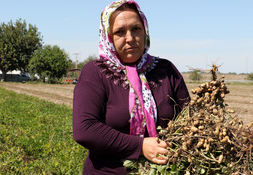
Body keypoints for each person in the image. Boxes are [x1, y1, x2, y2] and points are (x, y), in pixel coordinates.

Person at [72, 0, 190, 174]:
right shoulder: (95, 72)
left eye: (136, 29)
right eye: (120, 32)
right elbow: (85, 129)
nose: (130, 38)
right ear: (109, 37)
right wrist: (140, 146)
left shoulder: (166, 70)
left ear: (145, 31)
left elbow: (190, 119)